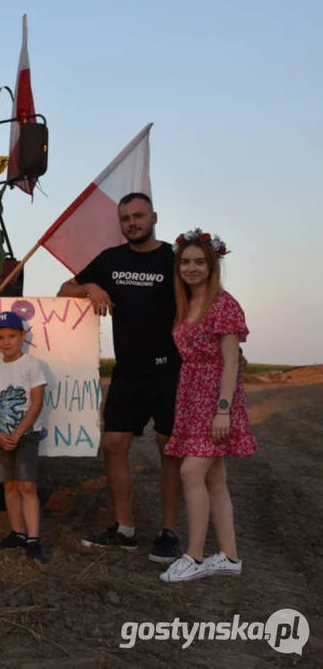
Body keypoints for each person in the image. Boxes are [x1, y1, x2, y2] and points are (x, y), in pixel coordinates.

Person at [58, 193, 184, 564]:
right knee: (113, 444)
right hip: (128, 370)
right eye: (126, 218)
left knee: (169, 451)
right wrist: (90, 287)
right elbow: (64, 290)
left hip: (170, 370)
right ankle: (124, 529)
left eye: (139, 216)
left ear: (154, 217)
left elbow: (204, 300)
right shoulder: (111, 261)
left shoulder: (174, 261)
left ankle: (169, 533)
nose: (133, 223)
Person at [159, 229, 255, 582]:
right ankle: (229, 557)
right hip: (191, 394)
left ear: (213, 265)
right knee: (214, 477)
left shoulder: (223, 304)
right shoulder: (185, 303)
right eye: (186, 262)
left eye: (200, 262)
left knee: (190, 472)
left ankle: (195, 557)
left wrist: (224, 409)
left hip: (216, 397)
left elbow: (231, 361)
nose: (192, 268)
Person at [0, 311, 50, 563]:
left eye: (12, 336)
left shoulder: (32, 365)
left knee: (27, 485)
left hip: (26, 435)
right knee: (9, 485)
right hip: (1, 437)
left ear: (22, 336)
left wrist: (18, 433)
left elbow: (36, 403)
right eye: (0, 337)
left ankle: (33, 539)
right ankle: (17, 533)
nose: (6, 341)